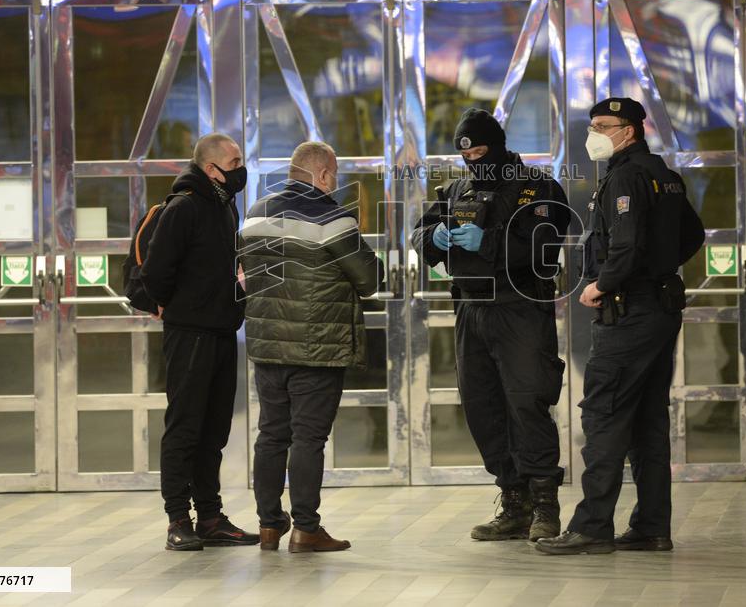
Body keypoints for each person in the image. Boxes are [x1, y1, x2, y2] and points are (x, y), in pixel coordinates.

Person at [536, 97, 705, 556]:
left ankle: (591, 527)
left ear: (628, 130)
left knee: (605, 414)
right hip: (659, 308)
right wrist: (658, 267)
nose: (593, 133)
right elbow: (692, 235)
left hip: (628, 311)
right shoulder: (663, 175)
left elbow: (625, 246)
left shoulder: (627, 176)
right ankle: (651, 527)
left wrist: (602, 283)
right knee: (648, 420)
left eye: (601, 125)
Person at [411, 108, 571, 543]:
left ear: (497, 146)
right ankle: (513, 501)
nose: (473, 161)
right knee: (483, 407)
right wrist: (432, 238)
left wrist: (491, 241)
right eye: (466, 154)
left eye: (481, 151)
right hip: (470, 309)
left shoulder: (538, 187)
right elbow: (420, 230)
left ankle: (545, 506)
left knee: (526, 402)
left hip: (519, 307)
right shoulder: (456, 189)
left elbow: (544, 242)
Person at [240, 141, 384, 553]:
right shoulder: (333, 218)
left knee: (270, 435)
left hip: (268, 347)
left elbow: (246, 271)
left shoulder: (255, 213)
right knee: (307, 439)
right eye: (333, 175)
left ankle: (269, 526)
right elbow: (371, 279)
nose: (334, 183)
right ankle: (305, 528)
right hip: (317, 347)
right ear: (322, 175)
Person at [139, 133, 255, 551]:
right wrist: (182, 306)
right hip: (190, 334)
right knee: (185, 427)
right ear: (211, 169)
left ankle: (209, 516)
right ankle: (177, 519)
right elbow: (155, 275)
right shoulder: (184, 207)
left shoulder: (225, 207)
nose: (241, 167)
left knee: (214, 429)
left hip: (223, 331)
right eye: (235, 160)